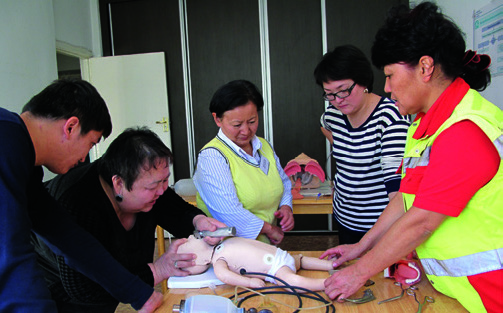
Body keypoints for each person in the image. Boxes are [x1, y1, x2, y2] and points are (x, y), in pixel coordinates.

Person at [321, 3, 503, 313]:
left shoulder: (464, 130)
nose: (388, 88)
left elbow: (421, 222)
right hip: (453, 290)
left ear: (425, 67)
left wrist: (360, 270)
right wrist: (363, 245)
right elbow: (406, 197)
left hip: (489, 294)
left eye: (390, 76)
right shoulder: (425, 125)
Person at [0, 79, 162, 312]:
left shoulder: (23, 158)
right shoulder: (6, 144)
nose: (85, 157)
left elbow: (68, 238)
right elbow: (10, 255)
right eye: (91, 143)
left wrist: (137, 292)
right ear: (71, 127)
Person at [31, 127, 226, 312]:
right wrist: (157, 270)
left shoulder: (150, 182)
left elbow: (175, 211)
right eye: (153, 187)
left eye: (165, 180)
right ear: (118, 183)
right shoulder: (78, 203)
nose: (162, 190)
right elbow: (85, 288)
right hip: (51, 284)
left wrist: (198, 221)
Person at [314, 45, 410, 244]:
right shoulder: (333, 116)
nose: (337, 100)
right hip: (345, 217)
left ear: (363, 81)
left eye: (343, 91)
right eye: (329, 94)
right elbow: (324, 125)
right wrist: (346, 147)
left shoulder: (390, 117)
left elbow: (397, 186)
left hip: (380, 225)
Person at [193, 80, 294, 245]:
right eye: (237, 124)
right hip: (227, 249)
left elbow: (283, 181)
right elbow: (229, 213)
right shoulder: (212, 157)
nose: (246, 131)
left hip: (264, 246)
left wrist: (285, 207)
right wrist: (270, 229)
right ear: (217, 119)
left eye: (252, 121)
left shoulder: (263, 146)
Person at [177, 235, 334, 291]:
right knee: (293, 282)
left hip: (280, 255)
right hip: (275, 268)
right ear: (202, 261)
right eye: (191, 241)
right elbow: (225, 277)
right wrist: (250, 282)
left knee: (300, 260)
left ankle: (329, 265)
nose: (191, 236)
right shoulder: (219, 262)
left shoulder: (221, 244)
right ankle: (327, 283)